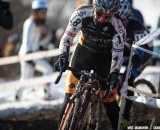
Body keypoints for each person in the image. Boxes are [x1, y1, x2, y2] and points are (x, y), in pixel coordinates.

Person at [54, 0, 126, 129]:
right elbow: (67, 38)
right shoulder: (81, 14)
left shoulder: (118, 25)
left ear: (113, 15)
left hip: (105, 58)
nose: (102, 19)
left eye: (107, 17)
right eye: (99, 14)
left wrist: (114, 72)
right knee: (69, 96)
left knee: (109, 101)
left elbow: (118, 53)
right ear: (94, 8)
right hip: (84, 53)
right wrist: (63, 56)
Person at [117, 0, 153, 126]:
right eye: (118, 19)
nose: (121, 23)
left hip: (144, 52)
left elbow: (141, 52)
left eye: (124, 20)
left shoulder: (136, 26)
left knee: (127, 78)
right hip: (128, 51)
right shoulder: (114, 25)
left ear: (129, 17)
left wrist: (128, 63)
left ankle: (126, 117)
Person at [18, 0, 53, 100]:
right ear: (35, 12)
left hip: (33, 54)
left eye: (45, 12)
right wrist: (28, 56)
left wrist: (41, 45)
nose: (43, 14)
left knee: (48, 70)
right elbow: (26, 40)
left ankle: (45, 92)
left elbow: (35, 41)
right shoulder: (29, 23)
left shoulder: (37, 24)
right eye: (41, 12)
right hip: (27, 54)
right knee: (26, 79)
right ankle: (18, 96)